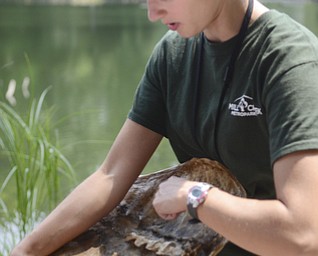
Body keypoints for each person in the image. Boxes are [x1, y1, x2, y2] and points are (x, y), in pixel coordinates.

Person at [11, 0, 318, 255]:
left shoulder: (288, 61)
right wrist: (26, 250)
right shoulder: (172, 56)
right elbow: (111, 174)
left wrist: (195, 196)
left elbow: (303, 235)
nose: (152, 13)